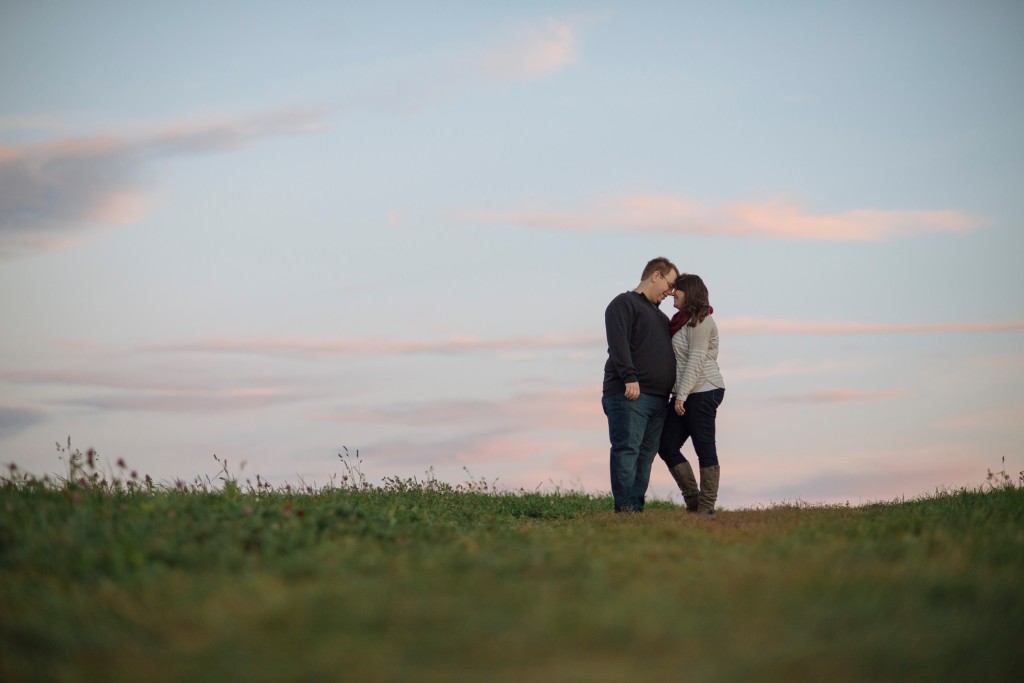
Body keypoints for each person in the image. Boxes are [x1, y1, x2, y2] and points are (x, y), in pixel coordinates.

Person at [602, 257, 678, 512]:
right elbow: (618, 342)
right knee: (627, 449)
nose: (670, 292)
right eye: (669, 285)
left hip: (659, 399)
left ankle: (635, 508)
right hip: (630, 394)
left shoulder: (662, 318)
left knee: (646, 456)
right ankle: (623, 508)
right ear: (655, 275)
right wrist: (629, 377)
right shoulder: (624, 304)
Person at [658, 273, 726, 518]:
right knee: (666, 445)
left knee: (704, 448)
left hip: (703, 390)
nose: (672, 293)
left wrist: (681, 396)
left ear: (690, 293)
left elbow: (696, 360)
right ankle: (694, 500)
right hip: (687, 392)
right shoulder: (681, 321)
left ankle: (706, 509)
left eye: (678, 290)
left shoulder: (702, 320)